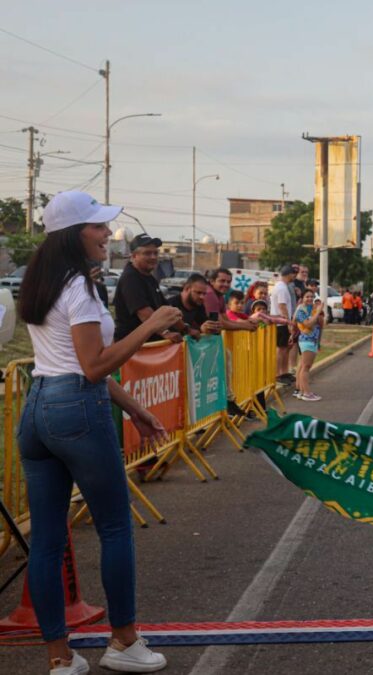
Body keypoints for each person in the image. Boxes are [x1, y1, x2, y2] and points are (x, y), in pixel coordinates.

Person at [15, 191, 178, 674]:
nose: (109, 234)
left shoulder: (39, 281)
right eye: (99, 227)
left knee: (46, 541)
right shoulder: (79, 288)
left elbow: (68, 365)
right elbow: (92, 367)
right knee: (113, 528)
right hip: (77, 410)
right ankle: (124, 642)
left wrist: (135, 409)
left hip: (38, 408)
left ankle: (59, 659)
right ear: (74, 234)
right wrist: (153, 327)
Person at [113, 233, 185, 344]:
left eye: (155, 253)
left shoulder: (148, 277)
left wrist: (186, 329)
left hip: (149, 346)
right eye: (147, 253)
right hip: (134, 349)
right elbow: (144, 313)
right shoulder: (131, 278)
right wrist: (165, 333)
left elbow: (165, 309)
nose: (153, 257)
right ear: (133, 256)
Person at [292, 289, 325, 401]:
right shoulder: (301, 310)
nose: (310, 299)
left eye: (312, 296)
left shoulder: (313, 309)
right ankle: (307, 393)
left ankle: (302, 391)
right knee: (306, 367)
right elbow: (308, 324)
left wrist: (318, 312)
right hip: (306, 340)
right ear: (302, 298)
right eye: (307, 297)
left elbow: (320, 325)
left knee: (302, 366)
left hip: (313, 341)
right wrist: (319, 311)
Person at [167, 274, 221, 339]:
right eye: (198, 293)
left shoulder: (198, 305)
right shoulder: (170, 305)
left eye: (204, 294)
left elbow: (202, 325)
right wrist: (200, 329)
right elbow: (171, 332)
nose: (202, 297)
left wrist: (211, 328)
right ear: (187, 288)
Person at [271, 265, 298, 384]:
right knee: (281, 349)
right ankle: (278, 374)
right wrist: (288, 322)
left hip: (283, 322)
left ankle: (284, 372)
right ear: (289, 274)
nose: (295, 276)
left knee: (286, 347)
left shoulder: (283, 286)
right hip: (281, 323)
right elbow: (282, 306)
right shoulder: (281, 288)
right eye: (294, 273)